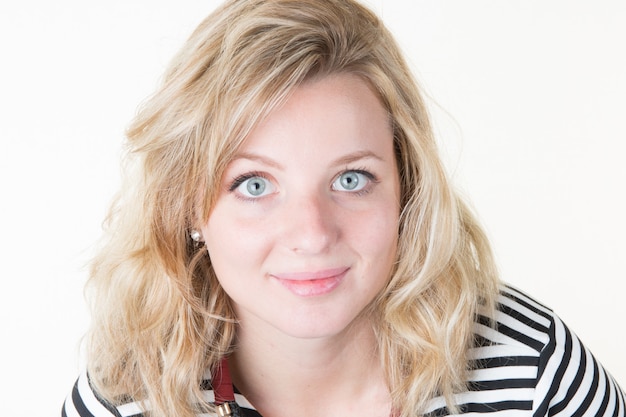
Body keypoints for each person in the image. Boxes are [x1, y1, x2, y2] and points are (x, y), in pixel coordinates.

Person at [62, 1, 625, 416]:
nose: (311, 234)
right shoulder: (126, 396)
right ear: (188, 205)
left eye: (351, 179)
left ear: (408, 188)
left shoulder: (534, 375)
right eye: (254, 185)